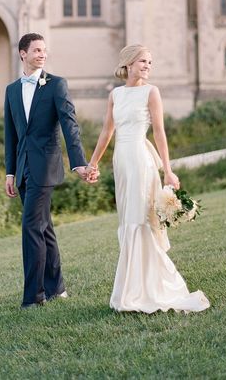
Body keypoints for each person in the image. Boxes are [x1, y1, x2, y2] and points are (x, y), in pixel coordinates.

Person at [87, 44, 210, 313]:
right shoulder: (115, 95)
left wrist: (168, 169)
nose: (147, 66)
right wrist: (93, 163)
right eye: (143, 61)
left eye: (150, 62)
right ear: (128, 63)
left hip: (142, 162)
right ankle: (132, 289)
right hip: (121, 162)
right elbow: (107, 132)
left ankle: (147, 290)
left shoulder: (151, 92)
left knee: (140, 220)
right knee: (127, 220)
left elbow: (159, 133)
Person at [4, 33, 93, 308]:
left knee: (31, 227)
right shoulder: (11, 90)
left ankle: (34, 297)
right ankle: (57, 288)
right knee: (44, 229)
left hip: (45, 167)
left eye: (44, 50)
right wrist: (10, 172)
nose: (42, 54)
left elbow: (70, 124)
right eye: (37, 50)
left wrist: (78, 162)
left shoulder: (56, 85)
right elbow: (11, 135)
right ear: (22, 53)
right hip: (22, 169)